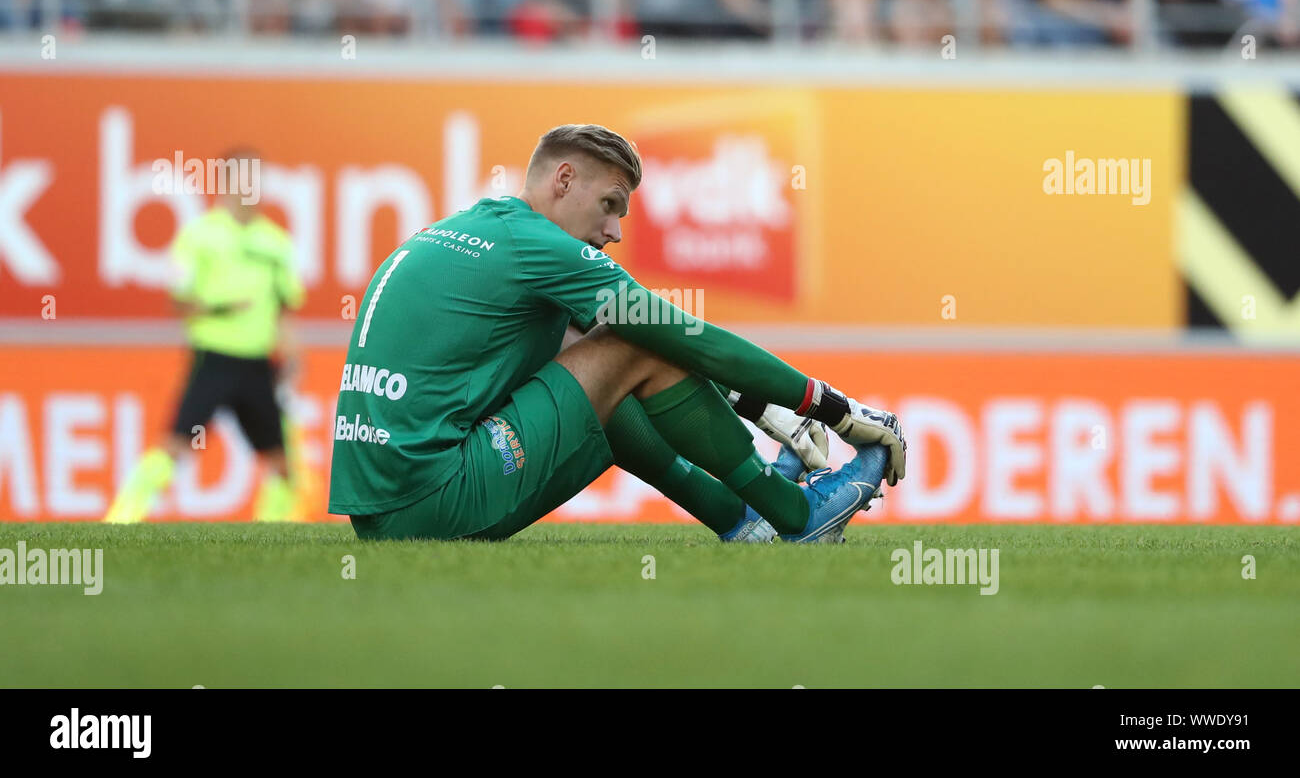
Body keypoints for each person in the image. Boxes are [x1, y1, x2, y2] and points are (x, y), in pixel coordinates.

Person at [328, 124, 906, 543]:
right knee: (634, 341)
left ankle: (741, 518)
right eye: (609, 205)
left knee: (598, 360)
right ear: (563, 179)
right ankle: (797, 518)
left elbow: (603, 354)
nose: (613, 231)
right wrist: (830, 406)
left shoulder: (471, 230)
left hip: (383, 511)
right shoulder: (541, 248)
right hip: (432, 502)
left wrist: (754, 401)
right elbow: (681, 335)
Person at [104, 148, 305, 523]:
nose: (252, 190)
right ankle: (123, 516)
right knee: (179, 444)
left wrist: (293, 356)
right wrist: (222, 307)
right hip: (214, 360)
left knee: (281, 460)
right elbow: (178, 302)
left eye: (257, 181)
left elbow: (283, 310)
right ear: (225, 184)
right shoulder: (199, 236)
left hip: (258, 365)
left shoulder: (276, 243)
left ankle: (275, 531)